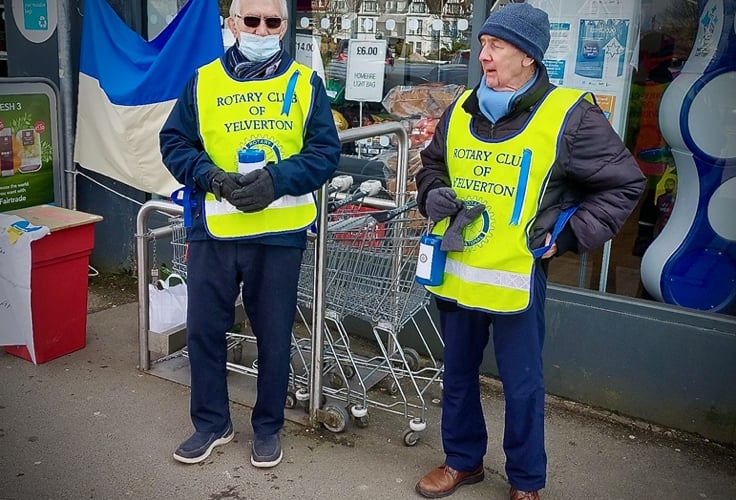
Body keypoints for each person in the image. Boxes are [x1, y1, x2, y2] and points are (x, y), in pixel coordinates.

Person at [413, 3, 645, 500]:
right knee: (456, 376)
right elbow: (432, 168)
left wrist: (568, 235)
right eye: (483, 45)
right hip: (457, 268)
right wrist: (432, 193)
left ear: (529, 57)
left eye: (497, 46)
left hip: (517, 275)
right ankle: (461, 461)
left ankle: (525, 482)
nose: (485, 56)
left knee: (521, 388)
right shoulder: (462, 108)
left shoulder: (568, 115)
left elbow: (623, 184)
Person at [159, 0, 340, 468]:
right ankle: (211, 423)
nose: (261, 28)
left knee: (274, 336)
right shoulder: (203, 81)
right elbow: (174, 143)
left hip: (278, 235)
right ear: (232, 23)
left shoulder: (305, 83)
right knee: (203, 331)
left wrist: (277, 180)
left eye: (272, 20)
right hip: (214, 230)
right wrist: (212, 177)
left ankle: (268, 428)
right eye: (251, 19)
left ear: (284, 26)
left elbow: (324, 152)